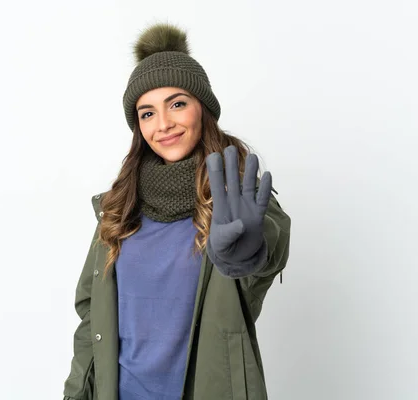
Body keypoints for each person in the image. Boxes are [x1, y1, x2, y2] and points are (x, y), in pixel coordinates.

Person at [62, 22, 291, 400]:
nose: (163, 124)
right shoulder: (117, 208)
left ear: (203, 109)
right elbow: (91, 318)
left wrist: (251, 252)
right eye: (147, 113)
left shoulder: (236, 200)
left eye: (178, 104)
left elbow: (271, 244)